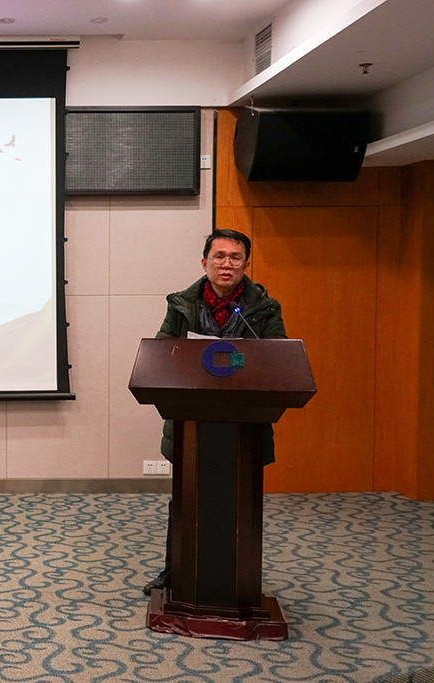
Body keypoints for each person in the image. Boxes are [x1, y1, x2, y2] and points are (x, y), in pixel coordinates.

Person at [142, 228, 286, 596]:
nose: (227, 264)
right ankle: (175, 571)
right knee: (186, 497)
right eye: (219, 256)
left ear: (246, 265)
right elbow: (162, 352)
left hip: (244, 423)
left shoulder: (265, 308)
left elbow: (279, 360)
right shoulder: (182, 305)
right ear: (205, 262)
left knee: (239, 500)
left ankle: (241, 580)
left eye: (235, 258)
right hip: (192, 420)